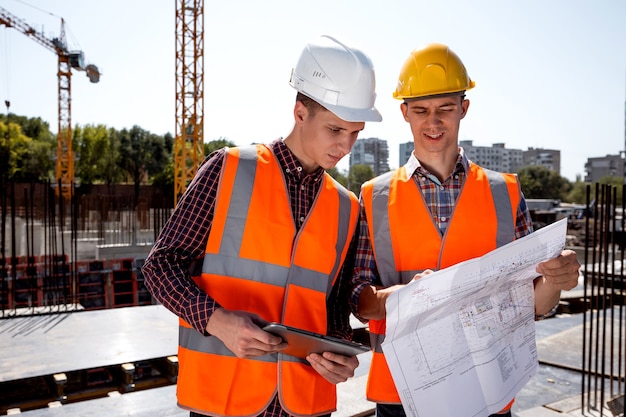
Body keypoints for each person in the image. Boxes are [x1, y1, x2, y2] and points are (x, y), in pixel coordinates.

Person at [141, 34, 382, 417]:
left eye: (355, 133)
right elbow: (160, 265)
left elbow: (333, 307)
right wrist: (216, 321)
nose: (345, 146)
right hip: (224, 399)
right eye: (335, 130)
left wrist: (341, 354)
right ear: (300, 112)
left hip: (306, 403)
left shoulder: (346, 207)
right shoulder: (229, 169)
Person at [350, 43, 581, 417]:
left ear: (464, 108)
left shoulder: (505, 192)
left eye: (445, 108)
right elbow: (358, 300)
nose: (433, 121)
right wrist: (410, 297)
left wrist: (555, 279)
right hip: (401, 395)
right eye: (421, 110)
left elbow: (535, 305)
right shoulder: (374, 196)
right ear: (404, 112)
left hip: (486, 392)